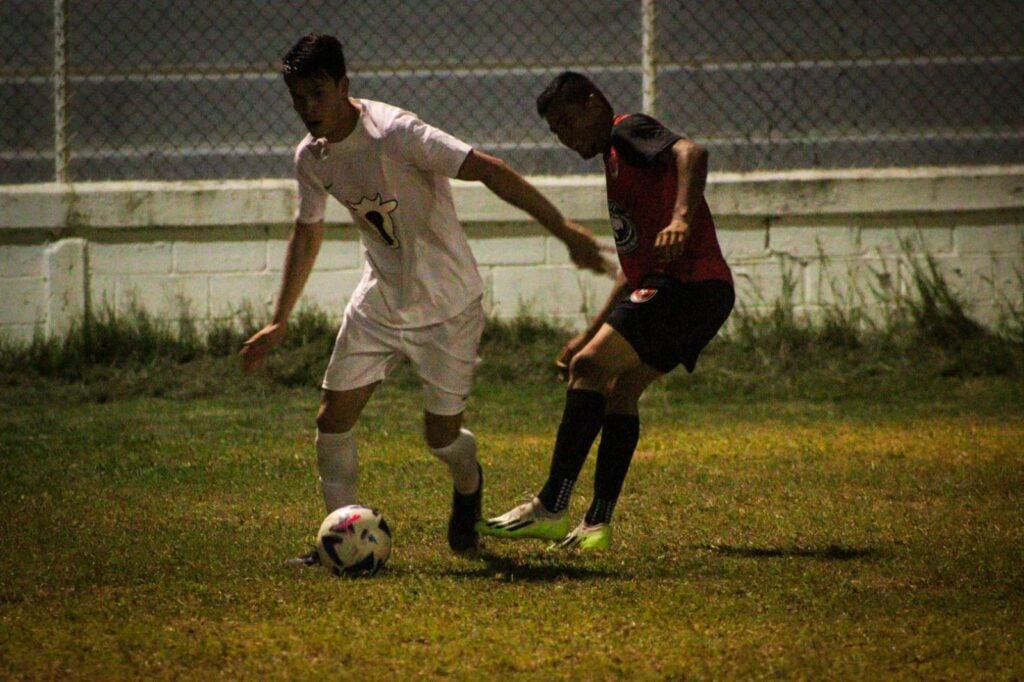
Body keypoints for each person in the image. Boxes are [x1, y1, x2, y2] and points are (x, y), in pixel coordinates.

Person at [241, 36, 613, 562]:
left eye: (317, 94)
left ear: (344, 86)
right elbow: (307, 232)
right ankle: (336, 543)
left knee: (440, 439)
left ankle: (469, 487)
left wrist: (564, 229)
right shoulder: (312, 158)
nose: (307, 109)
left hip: (448, 306)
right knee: (332, 420)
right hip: (379, 301)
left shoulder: (396, 133)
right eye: (297, 98)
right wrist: (280, 320)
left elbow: (487, 168)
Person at [479, 71, 735, 550]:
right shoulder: (617, 164)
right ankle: (596, 522)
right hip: (697, 292)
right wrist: (588, 332)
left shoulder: (627, 131)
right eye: (557, 131)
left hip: (689, 283)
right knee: (617, 387)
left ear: (594, 104)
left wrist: (682, 217)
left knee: (592, 368)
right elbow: (633, 276)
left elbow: (692, 152)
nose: (567, 137)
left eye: (570, 121)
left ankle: (551, 504)